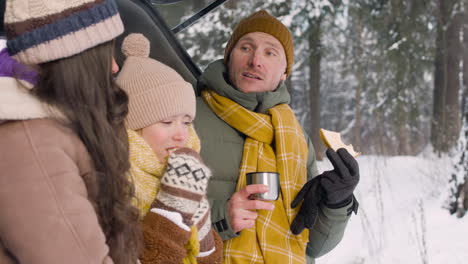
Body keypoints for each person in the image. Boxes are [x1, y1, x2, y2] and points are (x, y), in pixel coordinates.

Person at [194, 10, 360, 263]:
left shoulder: (293, 135)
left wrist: (337, 203)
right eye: (245, 48)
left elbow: (312, 246)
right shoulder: (185, 117)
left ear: (285, 73)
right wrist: (221, 216)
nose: (255, 61)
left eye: (270, 53)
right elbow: (148, 214)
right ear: (229, 58)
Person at [0, 1, 141, 263]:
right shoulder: (30, 146)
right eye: (103, 53)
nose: (114, 67)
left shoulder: (55, 127)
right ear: (77, 61)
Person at [115, 33, 222, 263]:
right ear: (132, 127)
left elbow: (210, 260)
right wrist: (175, 205)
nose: (181, 134)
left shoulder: (183, 172)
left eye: (186, 122)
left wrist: (200, 218)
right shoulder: (113, 183)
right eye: (166, 122)